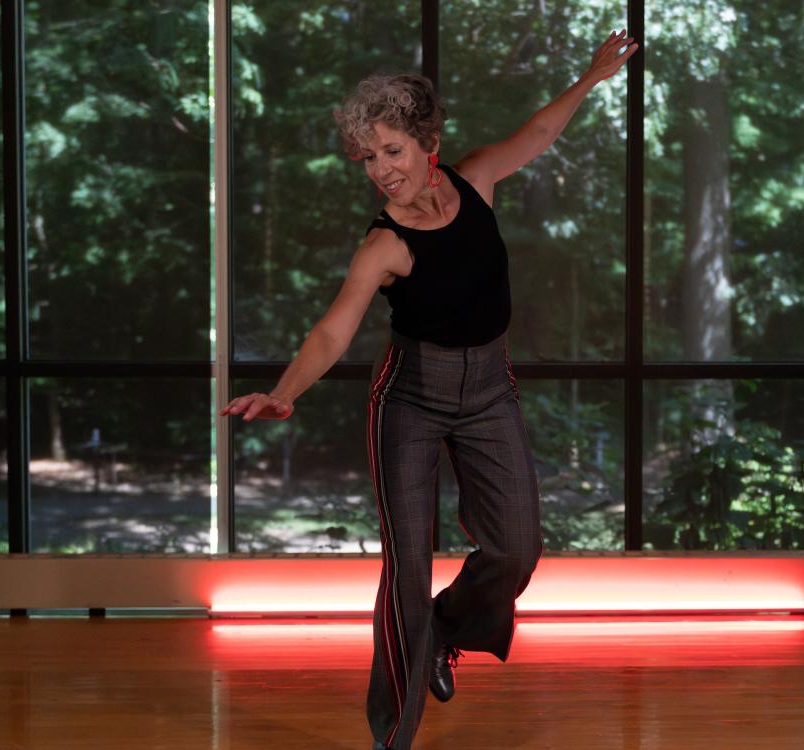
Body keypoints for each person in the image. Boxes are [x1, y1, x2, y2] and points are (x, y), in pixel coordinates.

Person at [220, 27, 637, 750]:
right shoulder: (384, 243)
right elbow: (331, 331)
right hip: (408, 398)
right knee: (406, 566)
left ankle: (446, 629)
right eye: (369, 158)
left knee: (517, 547)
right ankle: (394, 734)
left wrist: (593, 77)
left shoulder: (475, 181)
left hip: (488, 390)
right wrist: (286, 391)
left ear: (426, 142)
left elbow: (538, 130)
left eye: (393, 151)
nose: (382, 170)